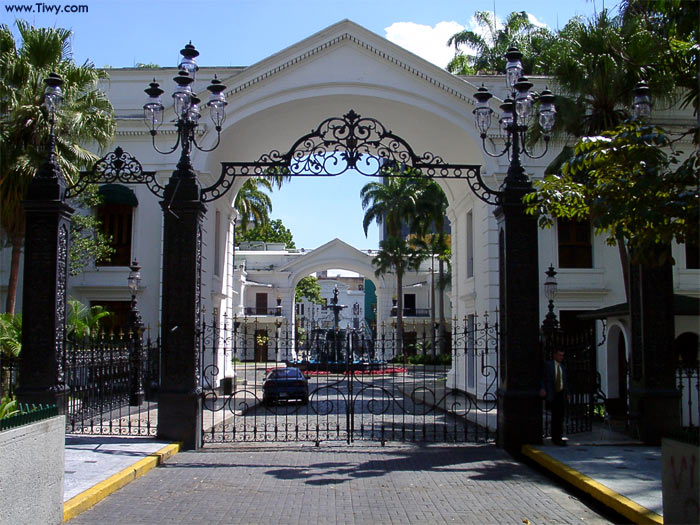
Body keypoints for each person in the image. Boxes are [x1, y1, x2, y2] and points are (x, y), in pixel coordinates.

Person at [540, 349, 568, 446]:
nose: (561, 357)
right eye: (559, 355)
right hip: (552, 393)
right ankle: (555, 437)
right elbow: (543, 377)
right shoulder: (548, 365)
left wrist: (567, 392)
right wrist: (543, 388)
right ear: (555, 355)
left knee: (560, 416)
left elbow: (564, 381)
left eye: (562, 355)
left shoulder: (562, 367)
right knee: (555, 416)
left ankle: (559, 437)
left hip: (561, 393)